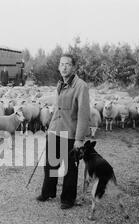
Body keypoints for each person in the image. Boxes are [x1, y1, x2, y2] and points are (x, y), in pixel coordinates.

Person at [36, 54, 90, 210]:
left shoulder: (81, 86)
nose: (64, 67)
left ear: (73, 67)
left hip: (70, 134)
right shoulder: (60, 84)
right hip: (56, 131)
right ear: (59, 67)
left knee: (70, 168)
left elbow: (83, 114)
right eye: (61, 64)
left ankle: (67, 198)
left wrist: (79, 139)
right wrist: (50, 128)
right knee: (50, 164)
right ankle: (48, 192)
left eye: (67, 64)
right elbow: (57, 110)